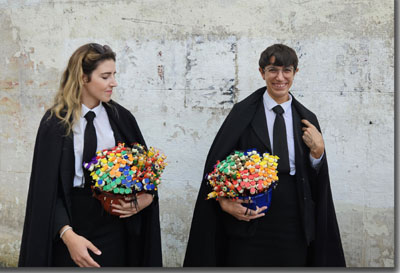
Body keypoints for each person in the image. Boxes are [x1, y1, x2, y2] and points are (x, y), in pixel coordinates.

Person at [183, 44, 346, 267]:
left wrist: (318, 153)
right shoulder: (242, 114)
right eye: (273, 70)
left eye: (286, 70)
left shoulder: (307, 118)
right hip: (249, 218)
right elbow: (217, 167)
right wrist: (223, 202)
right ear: (262, 73)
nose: (280, 77)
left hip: (294, 218)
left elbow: (316, 179)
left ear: (295, 72)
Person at [18, 43, 162, 267]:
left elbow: (145, 175)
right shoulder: (54, 122)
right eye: (105, 76)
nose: (113, 82)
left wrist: (146, 198)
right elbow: (45, 190)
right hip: (67, 227)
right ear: (83, 78)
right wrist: (68, 236)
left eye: (114, 75)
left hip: (114, 227)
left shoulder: (122, 119)